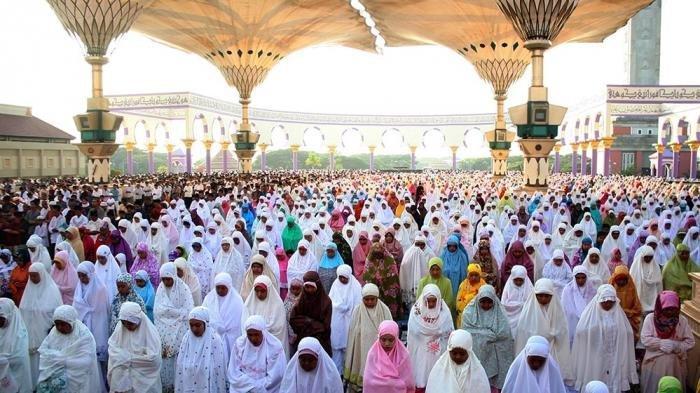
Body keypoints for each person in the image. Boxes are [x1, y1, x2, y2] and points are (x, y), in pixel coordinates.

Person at [571, 284, 638, 392]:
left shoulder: (618, 315)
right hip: (596, 356)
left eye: (610, 301)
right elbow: (581, 331)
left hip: (614, 355)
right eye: (604, 301)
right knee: (597, 379)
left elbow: (627, 333)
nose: (607, 304)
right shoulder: (590, 314)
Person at [514, 278, 572, 384]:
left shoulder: (557, 310)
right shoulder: (528, 311)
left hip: (552, 351)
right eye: (540, 295)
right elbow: (523, 333)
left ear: (552, 295)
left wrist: (550, 335)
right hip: (532, 355)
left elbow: (562, 333)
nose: (543, 299)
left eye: (547, 296)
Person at [36, 305, 103, 393]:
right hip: (54, 377)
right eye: (57, 324)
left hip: (78, 380)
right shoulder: (54, 333)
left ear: (71, 322)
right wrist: (60, 359)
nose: (59, 327)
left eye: (63, 324)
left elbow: (87, 361)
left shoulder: (84, 336)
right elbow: (44, 353)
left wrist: (63, 361)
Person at [640, 291, 696, 393]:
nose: (670, 312)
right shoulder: (650, 319)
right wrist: (661, 343)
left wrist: (676, 346)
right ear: (660, 307)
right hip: (654, 364)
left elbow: (690, 342)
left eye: (673, 309)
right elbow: (645, 339)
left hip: (675, 366)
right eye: (667, 309)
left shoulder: (682, 321)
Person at [461, 284, 514, 391]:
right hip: (477, 353)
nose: (486, 305)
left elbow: (505, 334)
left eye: (489, 302)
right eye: (483, 301)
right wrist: (486, 334)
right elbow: (466, 332)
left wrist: (485, 335)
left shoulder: (500, 313)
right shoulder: (469, 312)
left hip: (496, 354)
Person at [19, 262, 62, 388]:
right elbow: (23, 310)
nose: (33, 279)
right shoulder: (29, 290)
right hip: (31, 335)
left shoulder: (52, 290)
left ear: (42, 274)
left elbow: (57, 313)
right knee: (33, 362)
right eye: (30, 276)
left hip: (45, 333)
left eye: (35, 275)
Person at [344, 283, 393, 392]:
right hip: (361, 348)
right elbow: (352, 334)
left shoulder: (384, 310)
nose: (370, 302)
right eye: (367, 299)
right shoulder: (357, 311)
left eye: (372, 299)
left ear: (377, 298)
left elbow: (391, 331)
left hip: (381, 349)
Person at [154, 262, 194, 392]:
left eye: (168, 279)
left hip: (180, 331)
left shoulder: (184, 289)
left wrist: (169, 312)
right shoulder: (160, 290)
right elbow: (157, 312)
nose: (166, 282)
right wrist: (175, 313)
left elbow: (188, 311)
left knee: (178, 359)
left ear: (174, 276)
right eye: (163, 279)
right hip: (163, 332)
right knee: (166, 359)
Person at [407, 283, 454, 392]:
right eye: (429, 301)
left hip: (438, 348)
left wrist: (435, 336)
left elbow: (448, 331)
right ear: (424, 299)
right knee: (421, 373)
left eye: (434, 301)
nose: (431, 303)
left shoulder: (444, 311)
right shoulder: (416, 311)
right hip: (421, 348)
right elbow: (414, 331)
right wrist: (433, 334)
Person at [107, 301, 162, 393]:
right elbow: (113, 351)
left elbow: (154, 360)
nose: (127, 326)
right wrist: (135, 358)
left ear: (138, 320)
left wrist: (127, 358)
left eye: (130, 323)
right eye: (124, 323)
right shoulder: (120, 330)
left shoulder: (150, 333)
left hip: (145, 379)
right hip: (122, 378)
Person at [228, 315, 286, 392]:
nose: (253, 338)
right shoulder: (240, 344)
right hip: (243, 388)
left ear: (263, 332)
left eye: (256, 334)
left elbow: (275, 376)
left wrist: (258, 388)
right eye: (250, 335)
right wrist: (252, 386)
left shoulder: (274, 346)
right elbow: (233, 373)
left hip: (268, 389)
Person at [174, 307, 227, 393]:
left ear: (205, 323)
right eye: (191, 325)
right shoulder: (186, 338)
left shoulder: (214, 339)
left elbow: (218, 369)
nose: (194, 329)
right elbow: (180, 363)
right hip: (189, 381)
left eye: (198, 325)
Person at [73, 261, 110, 379]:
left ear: (90, 274)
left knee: (97, 352)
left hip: (97, 323)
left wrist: (87, 311)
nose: (82, 278)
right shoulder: (79, 288)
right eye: (79, 276)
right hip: (83, 323)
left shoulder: (100, 288)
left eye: (84, 275)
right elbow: (76, 305)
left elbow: (101, 309)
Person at [425, 330, 491, 393]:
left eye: (462, 354)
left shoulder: (477, 371)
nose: (458, 356)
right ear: (449, 351)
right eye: (454, 353)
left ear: (469, 352)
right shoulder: (440, 368)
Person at [363, 320, 415, 393]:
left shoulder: (403, 354)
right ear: (379, 338)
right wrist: (389, 383)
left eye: (391, 340)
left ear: (396, 338)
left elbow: (408, 382)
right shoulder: (373, 353)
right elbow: (368, 381)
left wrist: (391, 384)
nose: (387, 343)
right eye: (383, 340)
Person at [501, 336, 567, 393]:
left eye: (541, 361)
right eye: (533, 360)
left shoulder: (553, 370)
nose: (536, 364)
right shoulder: (516, 368)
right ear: (526, 356)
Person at [202, 272, 246, 356]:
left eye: (223, 288)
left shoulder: (237, 301)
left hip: (232, 339)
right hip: (212, 339)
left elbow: (239, 324)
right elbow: (204, 317)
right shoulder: (209, 299)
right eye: (218, 288)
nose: (220, 291)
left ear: (229, 287)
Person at [289, 271, 333, 355]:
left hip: (320, 341)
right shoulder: (301, 300)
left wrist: (309, 322)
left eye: (312, 287)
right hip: (303, 340)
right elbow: (293, 320)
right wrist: (308, 322)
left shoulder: (326, 302)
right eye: (307, 287)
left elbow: (325, 327)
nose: (309, 290)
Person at [244, 274, 289, 355]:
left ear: (269, 289)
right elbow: (245, 324)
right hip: (253, 343)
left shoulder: (277, 304)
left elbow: (278, 328)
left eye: (262, 291)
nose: (259, 294)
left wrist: (260, 331)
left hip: (272, 347)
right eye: (257, 291)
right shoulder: (249, 304)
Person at [329, 264, 362, 373]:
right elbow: (331, 302)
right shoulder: (335, 285)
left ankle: (348, 371)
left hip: (350, 320)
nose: (342, 280)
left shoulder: (356, 286)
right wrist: (339, 307)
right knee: (336, 347)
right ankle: (337, 372)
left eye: (345, 277)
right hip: (337, 321)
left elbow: (358, 304)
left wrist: (347, 309)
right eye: (340, 277)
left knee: (349, 346)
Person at [362, 242, 402, 318]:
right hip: (374, 286)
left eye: (379, 254)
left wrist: (383, 278)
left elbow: (394, 275)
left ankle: (391, 317)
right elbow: (366, 275)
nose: (377, 256)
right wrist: (375, 278)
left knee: (390, 299)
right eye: (375, 254)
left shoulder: (389, 258)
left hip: (388, 285)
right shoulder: (369, 259)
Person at [0, 298, 32, 393]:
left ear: (10, 316)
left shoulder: (20, 336)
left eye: (1, 318)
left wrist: (4, 360)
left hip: (18, 380)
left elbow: (20, 359)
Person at [561, 265, 597, 345]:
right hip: (572, 322)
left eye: (583, 277)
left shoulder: (592, 290)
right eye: (578, 278)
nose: (580, 280)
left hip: (588, 322)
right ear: (574, 278)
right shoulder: (567, 290)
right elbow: (565, 308)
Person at [501, 264, 534, 335]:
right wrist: (520, 305)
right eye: (516, 280)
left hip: (525, 316)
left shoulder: (529, 288)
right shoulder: (508, 288)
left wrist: (523, 305)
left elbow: (532, 303)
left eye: (521, 280)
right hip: (510, 318)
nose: (518, 282)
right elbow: (504, 304)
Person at [630, 245, 663, 315]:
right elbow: (633, 281)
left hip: (652, 294)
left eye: (650, 257)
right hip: (640, 292)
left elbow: (658, 283)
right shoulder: (636, 266)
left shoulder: (655, 266)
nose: (648, 259)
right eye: (646, 257)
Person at [440, 234, 469, 299]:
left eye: (454, 246)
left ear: (457, 246)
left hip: (458, 285)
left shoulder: (462, 256)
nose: (452, 248)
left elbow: (464, 274)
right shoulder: (443, 256)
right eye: (450, 246)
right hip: (445, 285)